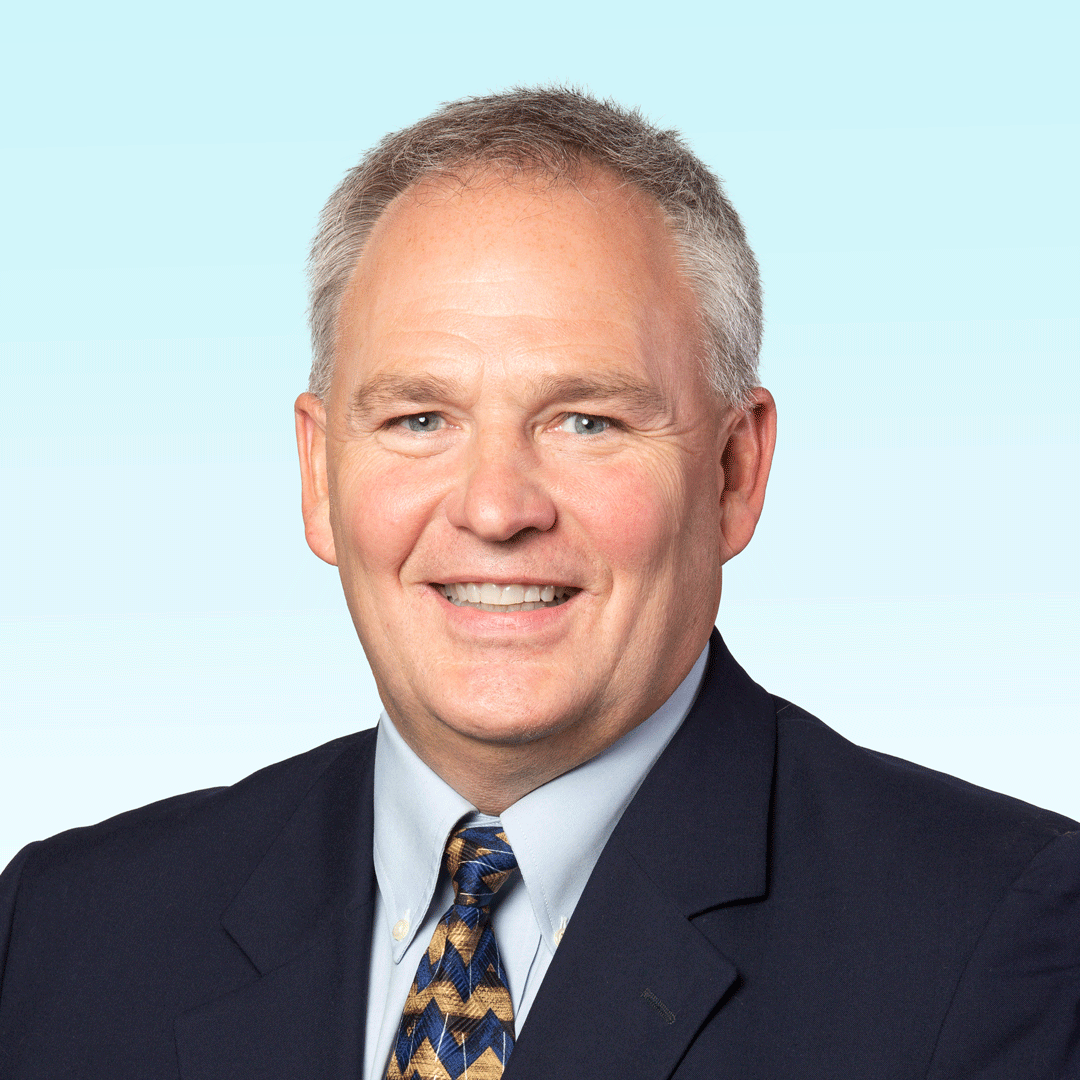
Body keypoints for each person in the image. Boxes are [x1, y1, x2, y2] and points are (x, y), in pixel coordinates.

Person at [1, 87, 1077, 1080]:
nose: (496, 508)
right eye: (420, 418)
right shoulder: (65, 932)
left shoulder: (1003, 938)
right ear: (318, 475)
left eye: (586, 421)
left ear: (733, 473)